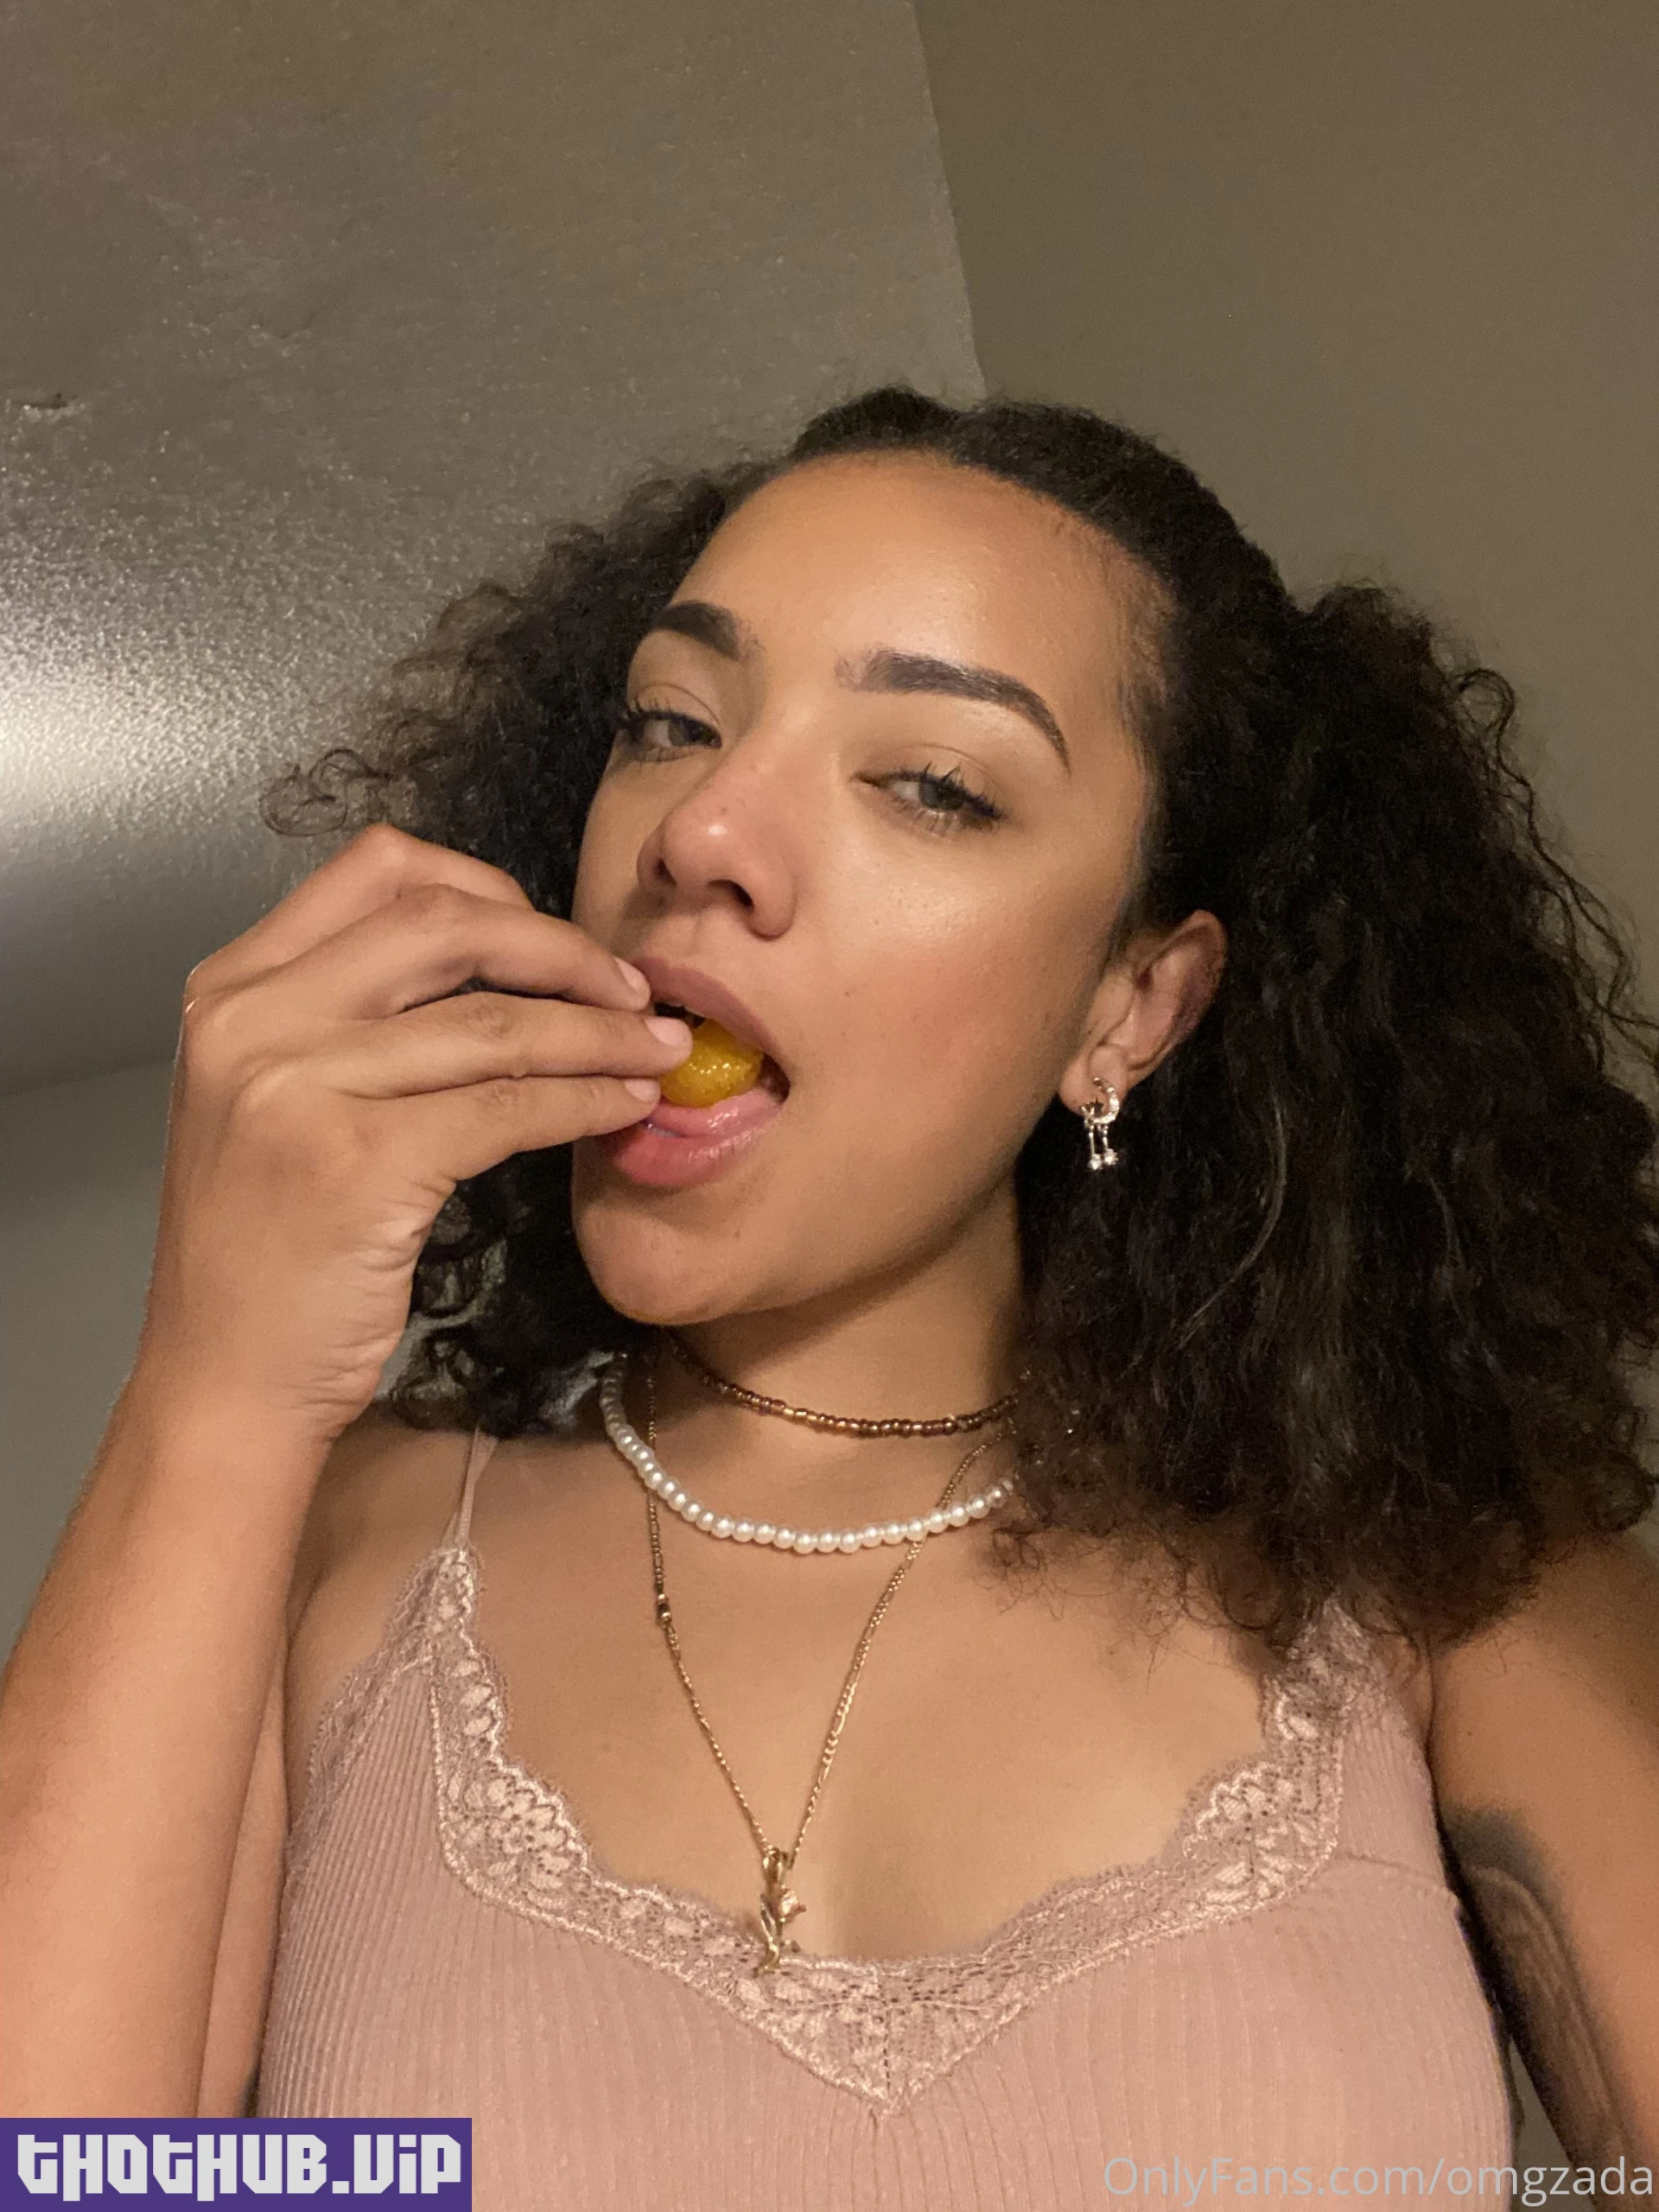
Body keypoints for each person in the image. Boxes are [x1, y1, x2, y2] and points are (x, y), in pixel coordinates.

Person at [2, 386, 1656, 2206]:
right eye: (671, 723)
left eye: (932, 782)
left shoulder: (1441, 1570)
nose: (701, 827)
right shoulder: (333, 1542)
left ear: (1131, 1006)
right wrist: (216, 1383)